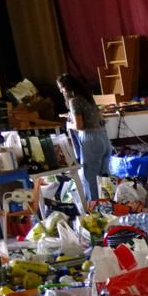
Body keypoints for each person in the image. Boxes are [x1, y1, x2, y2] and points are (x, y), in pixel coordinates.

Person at [57, 73, 110, 204]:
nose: (61, 92)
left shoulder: (74, 101)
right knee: (104, 177)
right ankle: (108, 205)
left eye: (61, 89)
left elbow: (79, 126)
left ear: (65, 88)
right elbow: (100, 118)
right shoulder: (88, 98)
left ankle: (94, 209)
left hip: (90, 138)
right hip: (103, 136)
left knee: (90, 177)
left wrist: (68, 124)